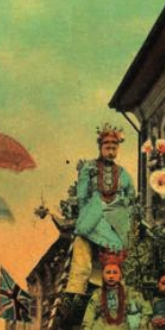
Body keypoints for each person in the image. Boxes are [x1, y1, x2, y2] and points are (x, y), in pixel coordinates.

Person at [66, 123, 136, 295]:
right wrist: (86, 214)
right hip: (93, 213)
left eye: (114, 147)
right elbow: (82, 195)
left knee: (119, 251)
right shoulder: (89, 168)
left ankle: (115, 290)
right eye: (107, 147)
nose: (111, 151)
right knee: (82, 247)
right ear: (100, 147)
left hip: (115, 216)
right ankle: (76, 292)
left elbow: (131, 193)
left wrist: (122, 203)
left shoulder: (122, 173)